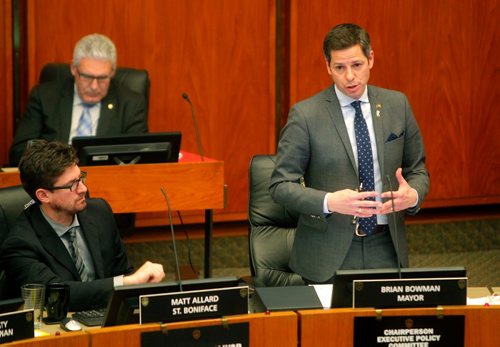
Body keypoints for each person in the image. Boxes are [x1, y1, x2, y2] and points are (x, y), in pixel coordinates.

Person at [269, 23, 429, 284]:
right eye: (340, 68)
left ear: (371, 59)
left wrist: (413, 195)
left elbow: (417, 169)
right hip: (327, 252)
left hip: (386, 246)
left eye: (357, 65)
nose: (350, 77)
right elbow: (280, 186)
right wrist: (329, 201)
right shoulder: (306, 115)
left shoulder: (397, 105)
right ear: (328, 67)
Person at [0, 140, 165, 311]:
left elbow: (123, 271)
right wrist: (125, 283)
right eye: (73, 185)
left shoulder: (99, 213)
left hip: (105, 317)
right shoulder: (20, 243)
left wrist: (140, 283)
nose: (83, 188)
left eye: (81, 178)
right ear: (44, 195)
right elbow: (56, 295)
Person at [9, 33, 148, 166]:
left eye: (102, 78)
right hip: (53, 181)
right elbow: (20, 152)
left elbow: (138, 156)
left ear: (112, 72)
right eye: (87, 77)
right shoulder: (44, 97)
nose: (94, 86)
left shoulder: (131, 103)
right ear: (74, 69)